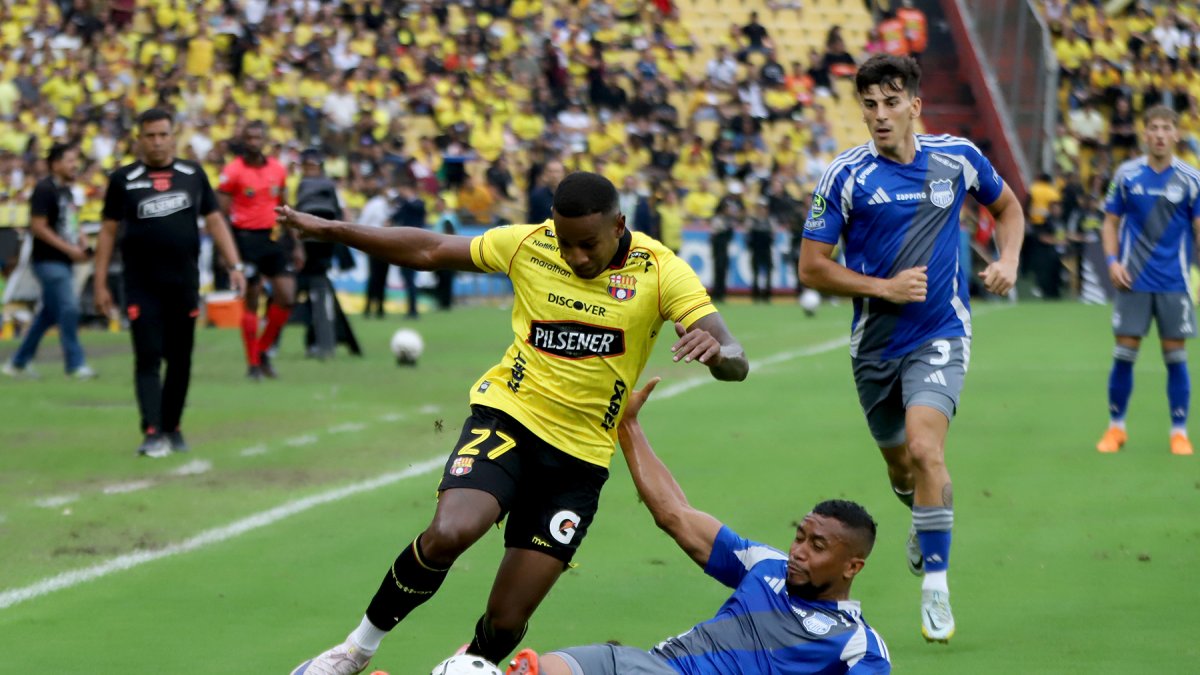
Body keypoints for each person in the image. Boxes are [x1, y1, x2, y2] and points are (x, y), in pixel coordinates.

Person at [279, 172, 749, 675]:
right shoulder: (529, 244)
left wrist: (718, 354)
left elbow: (736, 358)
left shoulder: (661, 270)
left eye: (588, 244)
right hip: (509, 419)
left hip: (580, 458)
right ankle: (354, 651)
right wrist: (333, 230)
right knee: (450, 532)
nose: (576, 257)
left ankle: (466, 667)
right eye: (566, 243)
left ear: (619, 225)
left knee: (506, 620)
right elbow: (430, 249)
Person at [797, 54, 1024, 643]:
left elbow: (1008, 207)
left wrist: (1008, 258)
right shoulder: (844, 175)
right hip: (874, 348)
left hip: (940, 333)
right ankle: (923, 517)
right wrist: (883, 288)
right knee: (902, 467)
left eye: (891, 102)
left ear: (915, 106)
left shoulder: (957, 158)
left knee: (926, 449)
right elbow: (812, 268)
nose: (880, 114)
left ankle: (936, 588)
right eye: (870, 104)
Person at [505, 377, 891, 675]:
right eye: (800, 537)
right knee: (543, 668)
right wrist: (628, 425)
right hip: (650, 664)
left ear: (852, 566)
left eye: (817, 546)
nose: (799, 551)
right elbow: (674, 514)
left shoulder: (858, 644)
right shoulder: (765, 565)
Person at [93, 108, 246, 457]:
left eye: (163, 135)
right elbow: (108, 232)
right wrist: (100, 283)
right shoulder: (123, 179)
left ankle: (172, 426)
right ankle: (151, 430)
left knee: (180, 359)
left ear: (173, 137)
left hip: (183, 283)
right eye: (150, 136)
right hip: (141, 284)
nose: (157, 142)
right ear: (139, 139)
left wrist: (234, 264)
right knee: (147, 357)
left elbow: (215, 220)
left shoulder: (192, 174)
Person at [1096, 105, 1199, 457]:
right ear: (1144, 134)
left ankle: (1179, 432)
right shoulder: (1127, 175)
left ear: (1176, 134)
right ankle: (1116, 428)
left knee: (1176, 358)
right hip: (1133, 281)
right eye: (1153, 128)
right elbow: (1110, 222)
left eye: (1166, 128)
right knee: (1124, 356)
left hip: (1175, 283)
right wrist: (1112, 262)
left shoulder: (1191, 178)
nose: (1159, 134)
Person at [2, 143, 96, 380]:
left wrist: (82, 242)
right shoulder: (44, 189)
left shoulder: (66, 191)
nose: (75, 165)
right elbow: (38, 227)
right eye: (70, 161)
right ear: (55, 164)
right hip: (48, 260)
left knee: (48, 315)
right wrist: (70, 249)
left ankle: (17, 362)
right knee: (69, 307)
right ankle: (75, 363)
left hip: (64, 261)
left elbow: (72, 221)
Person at [219, 120, 298, 380]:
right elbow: (220, 214)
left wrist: (296, 243)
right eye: (249, 138)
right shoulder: (233, 171)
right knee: (252, 301)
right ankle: (253, 364)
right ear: (243, 141)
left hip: (274, 238)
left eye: (257, 138)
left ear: (264, 140)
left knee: (287, 296)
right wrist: (225, 251)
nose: (253, 142)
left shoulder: (278, 168)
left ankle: (262, 351)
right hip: (245, 239)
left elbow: (285, 207)